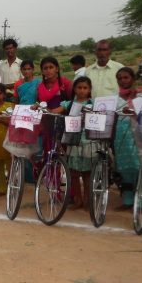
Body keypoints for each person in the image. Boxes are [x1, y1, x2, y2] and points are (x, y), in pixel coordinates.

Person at [51, 77, 94, 210]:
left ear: (89, 90)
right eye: (79, 88)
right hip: (73, 142)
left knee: (87, 173)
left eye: (85, 88)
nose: (82, 91)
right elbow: (55, 111)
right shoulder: (68, 104)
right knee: (74, 173)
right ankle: (78, 200)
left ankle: (88, 200)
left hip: (88, 141)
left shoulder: (93, 104)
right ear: (74, 89)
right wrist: (40, 108)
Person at [114, 67, 140, 210]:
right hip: (121, 136)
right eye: (120, 78)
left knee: (139, 167)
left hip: (138, 135)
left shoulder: (141, 96)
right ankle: (128, 200)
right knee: (124, 169)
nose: (123, 81)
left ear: (132, 79)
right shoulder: (114, 98)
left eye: (126, 77)